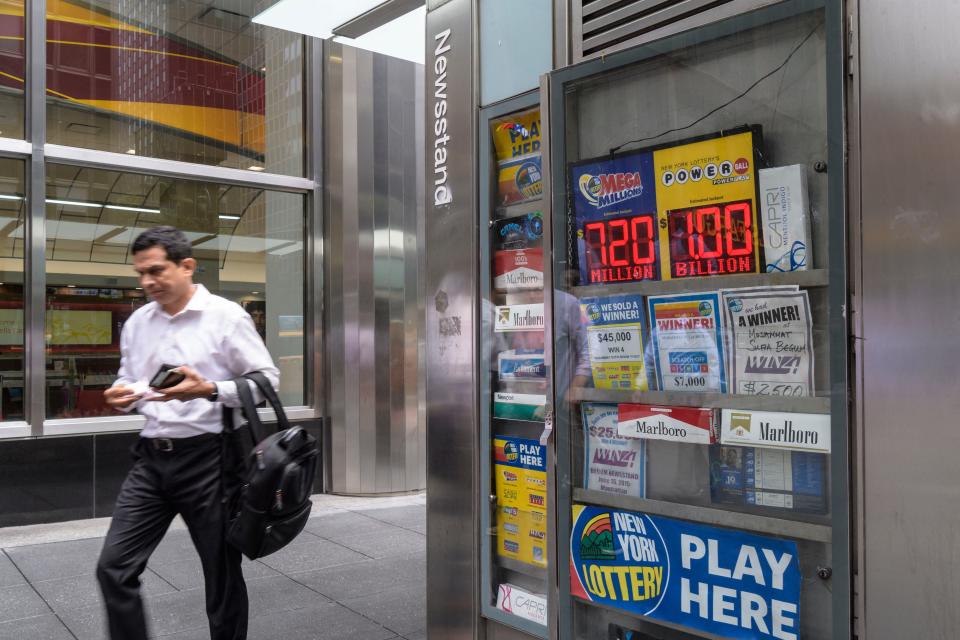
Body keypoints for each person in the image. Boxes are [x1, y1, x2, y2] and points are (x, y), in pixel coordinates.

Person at [97, 226, 279, 640]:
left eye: (156, 270)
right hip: (151, 458)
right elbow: (131, 377)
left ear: (187, 266)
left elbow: (267, 383)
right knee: (113, 567)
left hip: (211, 459)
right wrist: (123, 393)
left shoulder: (227, 317)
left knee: (221, 575)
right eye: (140, 273)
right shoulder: (138, 322)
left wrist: (210, 388)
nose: (147, 282)